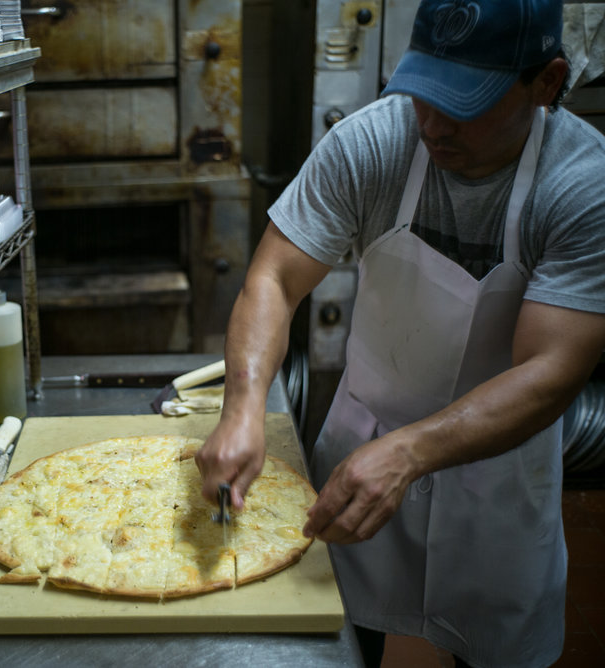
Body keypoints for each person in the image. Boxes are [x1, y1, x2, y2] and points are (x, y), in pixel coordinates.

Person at [194, 1, 605, 666]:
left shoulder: (582, 185)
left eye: (464, 104)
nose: (435, 126)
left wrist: (415, 453)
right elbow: (273, 278)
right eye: (424, 95)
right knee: (347, 643)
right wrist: (244, 408)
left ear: (547, 82)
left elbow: (552, 370)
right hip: (362, 448)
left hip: (498, 477)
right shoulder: (376, 143)